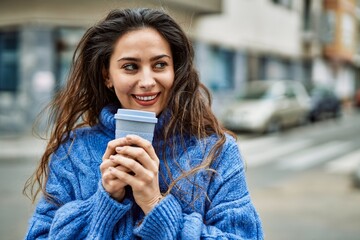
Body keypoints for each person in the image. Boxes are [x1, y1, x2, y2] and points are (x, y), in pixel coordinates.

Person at [23, 8, 263, 239]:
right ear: (107, 75)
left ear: (175, 71)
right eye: (130, 67)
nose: (147, 81)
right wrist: (105, 201)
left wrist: (155, 204)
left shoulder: (217, 152)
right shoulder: (73, 151)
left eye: (160, 64)